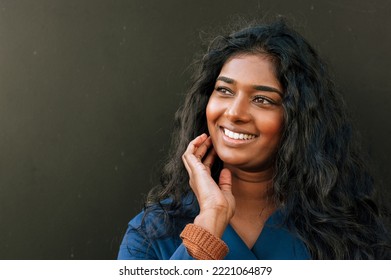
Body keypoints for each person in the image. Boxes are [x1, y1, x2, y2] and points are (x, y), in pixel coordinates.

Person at [118, 18, 391, 260]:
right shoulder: (153, 234)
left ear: (297, 119)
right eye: (224, 90)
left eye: (262, 99)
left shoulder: (351, 234)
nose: (235, 113)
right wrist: (208, 225)